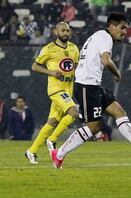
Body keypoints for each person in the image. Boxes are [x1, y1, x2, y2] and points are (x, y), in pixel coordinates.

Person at [51, 13, 131, 169]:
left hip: (93, 86)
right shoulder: (105, 37)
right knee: (93, 127)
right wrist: (117, 73)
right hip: (86, 86)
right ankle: (59, 154)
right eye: (122, 27)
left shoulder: (99, 36)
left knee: (119, 112)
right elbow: (106, 60)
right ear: (112, 27)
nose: (125, 31)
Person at [25, 22, 80, 164]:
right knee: (74, 112)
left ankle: (31, 151)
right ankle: (52, 140)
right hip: (56, 88)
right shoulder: (48, 49)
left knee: (53, 121)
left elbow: (77, 66)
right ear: (56, 31)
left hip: (68, 88)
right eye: (63, 30)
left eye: (67, 30)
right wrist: (51, 72)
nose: (65, 33)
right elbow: (34, 66)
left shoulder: (74, 48)